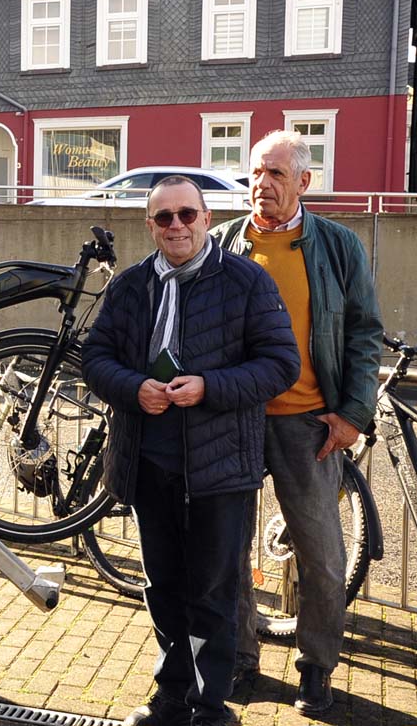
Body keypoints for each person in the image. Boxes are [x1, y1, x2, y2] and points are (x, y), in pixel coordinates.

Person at [82, 177, 299, 726]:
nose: (176, 226)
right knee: (164, 586)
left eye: (186, 215)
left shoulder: (248, 281)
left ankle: (211, 708)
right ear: (150, 225)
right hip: (149, 461)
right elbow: (95, 357)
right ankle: (170, 697)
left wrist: (210, 387)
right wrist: (133, 388)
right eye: (163, 218)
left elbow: (280, 364)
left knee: (213, 591)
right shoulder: (130, 286)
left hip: (219, 465)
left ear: (206, 218)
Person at [213, 131, 383, 713]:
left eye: (277, 174)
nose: (262, 184)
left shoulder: (338, 247)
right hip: (231, 421)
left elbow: (364, 333)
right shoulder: (220, 246)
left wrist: (354, 414)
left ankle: (315, 666)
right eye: (257, 173)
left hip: (309, 423)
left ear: (304, 183)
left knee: (322, 555)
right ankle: (237, 658)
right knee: (226, 549)